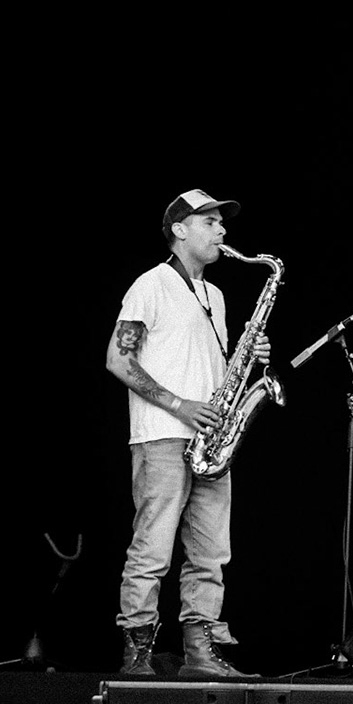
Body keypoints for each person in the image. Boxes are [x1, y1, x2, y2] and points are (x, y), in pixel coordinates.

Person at [106, 189, 270, 678]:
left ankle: (200, 654)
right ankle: (137, 654)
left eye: (222, 224)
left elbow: (208, 368)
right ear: (180, 229)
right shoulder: (150, 285)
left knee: (211, 553)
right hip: (162, 435)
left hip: (212, 440)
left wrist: (247, 357)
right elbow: (118, 359)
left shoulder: (214, 295)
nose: (222, 232)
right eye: (210, 222)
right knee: (153, 548)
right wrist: (181, 405)